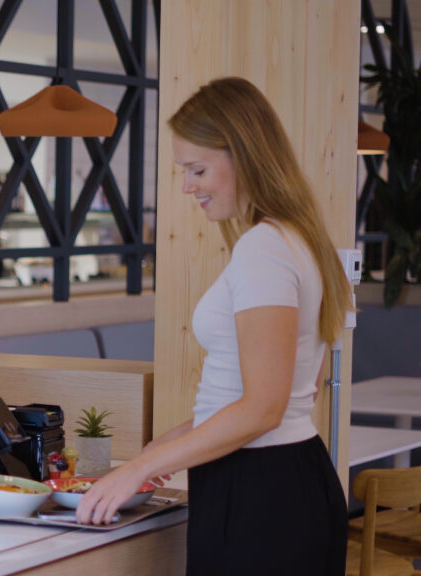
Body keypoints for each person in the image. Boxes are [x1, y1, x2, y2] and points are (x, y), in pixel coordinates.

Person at [76, 77, 351, 575]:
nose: (187, 186)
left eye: (198, 169)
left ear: (243, 154)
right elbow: (275, 398)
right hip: (288, 480)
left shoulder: (263, 249)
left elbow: (263, 409)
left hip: (259, 494)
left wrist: (142, 467)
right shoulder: (295, 238)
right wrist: (165, 448)